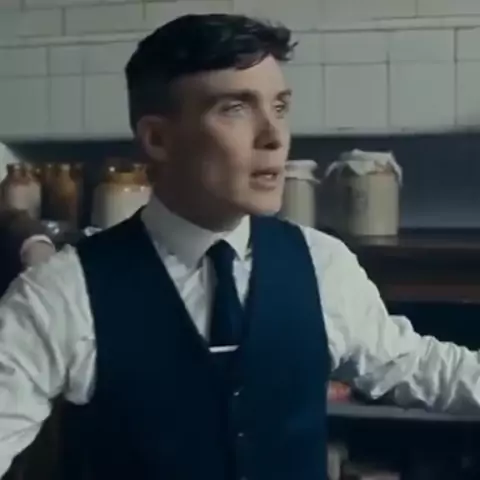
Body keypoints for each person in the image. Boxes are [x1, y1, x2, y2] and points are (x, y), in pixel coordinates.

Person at [1, 13, 480, 480]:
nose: (274, 137)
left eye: (280, 107)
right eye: (235, 108)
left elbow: (418, 366)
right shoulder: (61, 294)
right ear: (158, 138)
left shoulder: (322, 265)